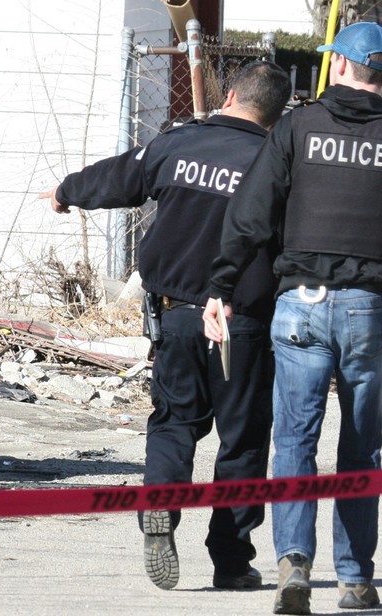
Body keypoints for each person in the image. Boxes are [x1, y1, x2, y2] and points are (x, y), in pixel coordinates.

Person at [39, 60, 292, 592]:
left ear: (229, 97)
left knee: (175, 423)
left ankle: (160, 504)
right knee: (242, 441)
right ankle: (231, 560)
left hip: (176, 315)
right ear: (277, 114)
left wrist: (66, 190)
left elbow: (119, 177)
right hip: (242, 323)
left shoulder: (180, 144)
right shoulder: (278, 161)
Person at [203, 21, 382, 615]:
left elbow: (251, 214)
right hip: (370, 309)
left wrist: (222, 287)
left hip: (301, 305)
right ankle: (355, 580)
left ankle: (294, 567)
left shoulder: (299, 126)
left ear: (339, 65)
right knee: (363, 449)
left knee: (294, 442)